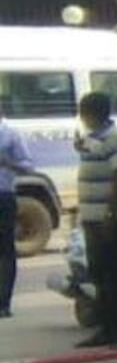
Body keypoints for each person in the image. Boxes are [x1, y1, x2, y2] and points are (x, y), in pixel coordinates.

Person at [72, 89, 117, 348]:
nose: (83, 119)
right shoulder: (95, 138)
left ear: (94, 114)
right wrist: (81, 146)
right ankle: (106, 328)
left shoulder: (116, 139)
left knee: (115, 276)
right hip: (92, 219)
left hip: (110, 220)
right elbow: (94, 154)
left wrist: (111, 213)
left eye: (84, 114)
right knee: (99, 275)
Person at [0, 99, 36, 319]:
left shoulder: (11, 135)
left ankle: (3, 303)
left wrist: (7, 164)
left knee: (5, 250)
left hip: (3, 196)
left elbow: (28, 167)